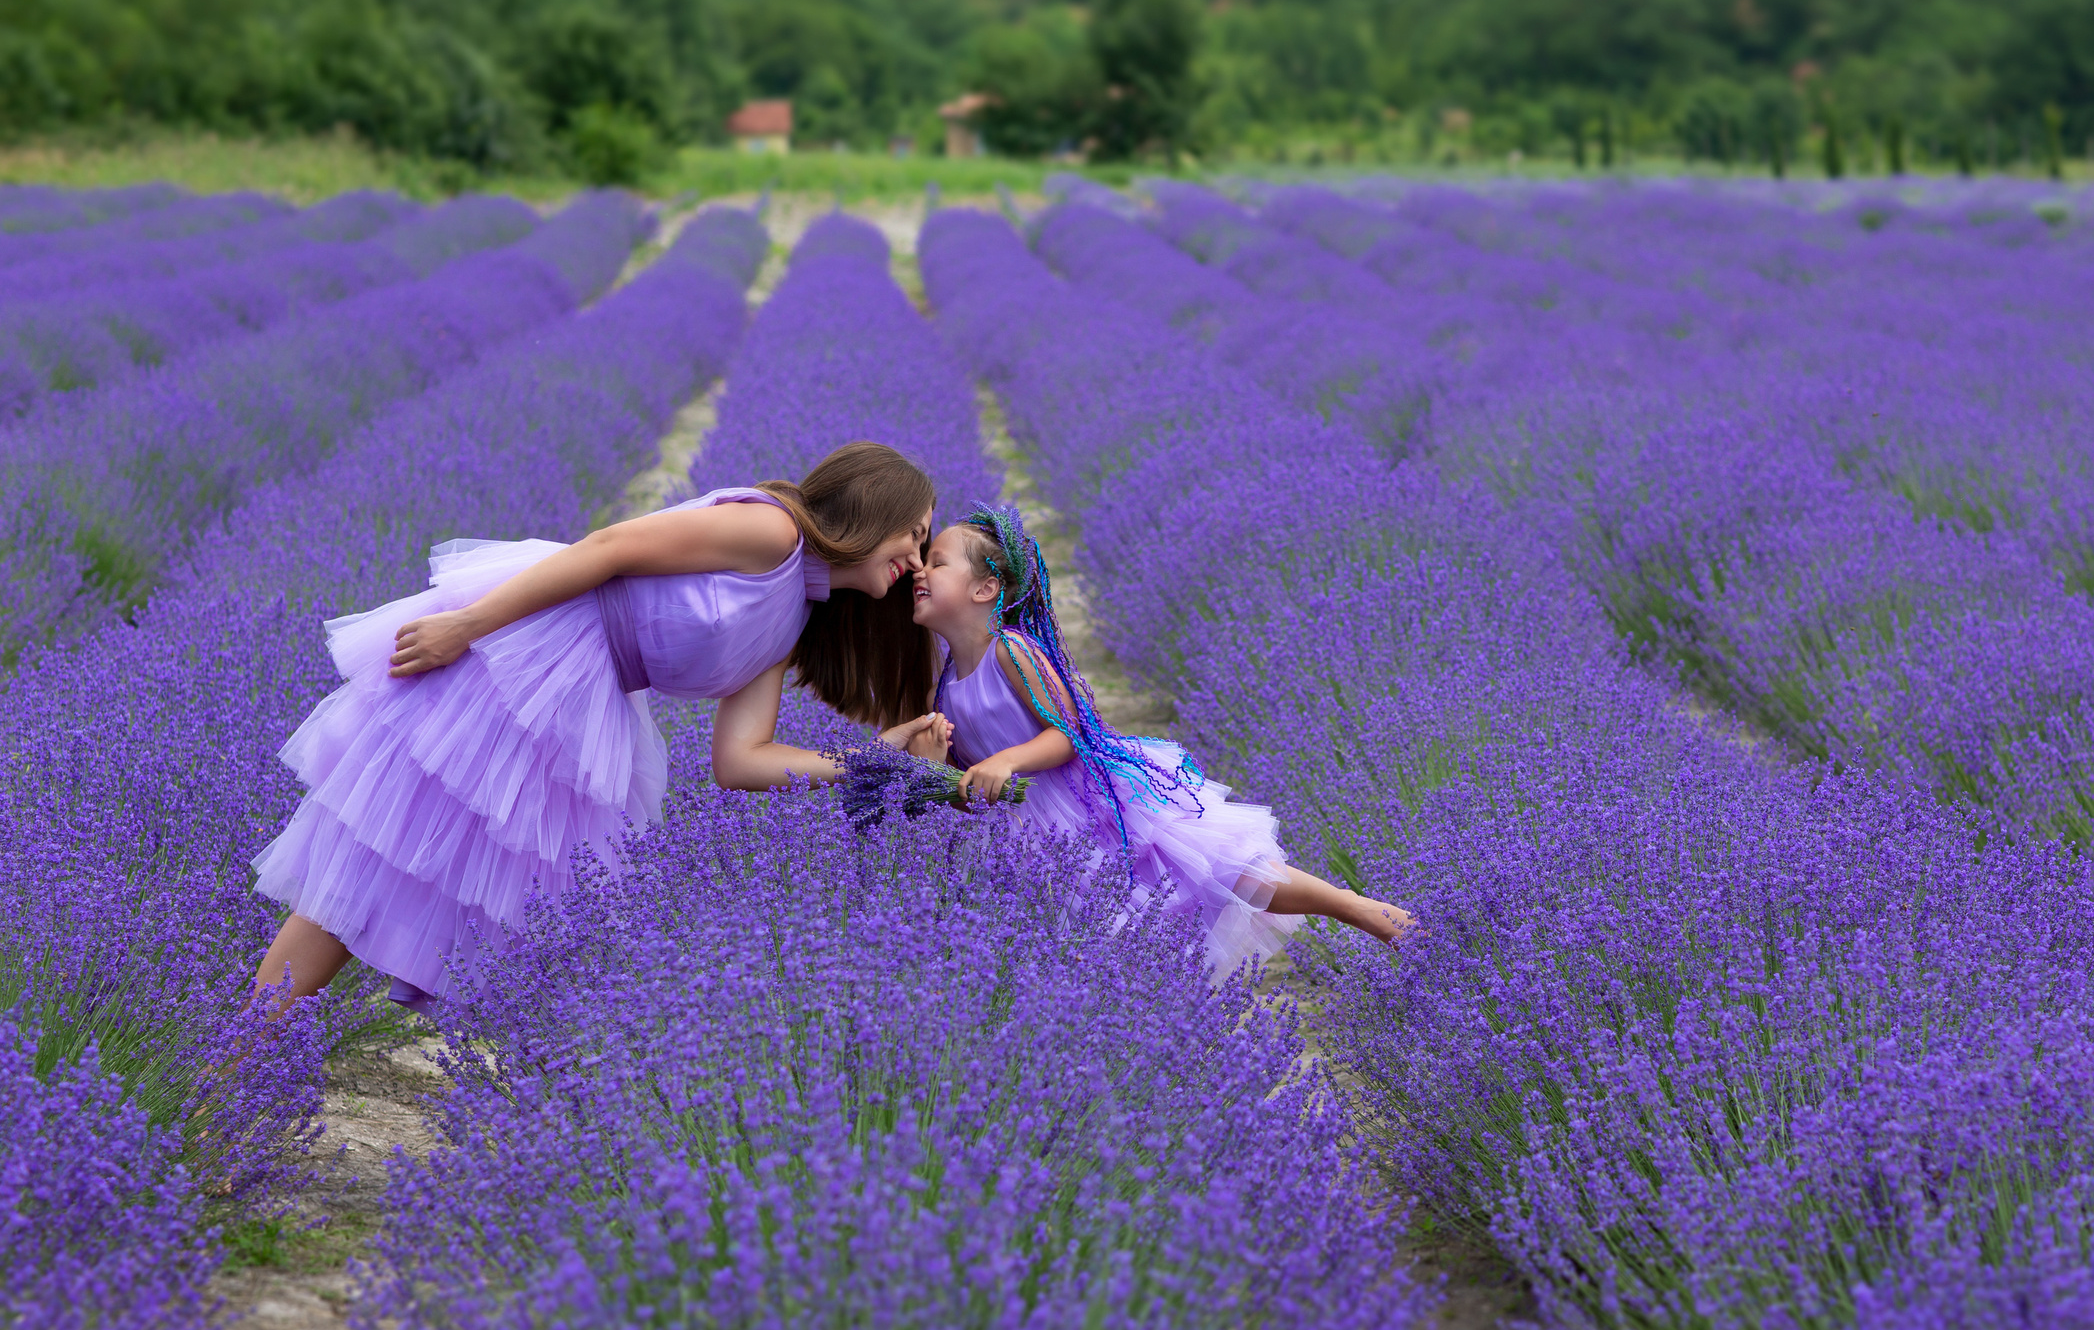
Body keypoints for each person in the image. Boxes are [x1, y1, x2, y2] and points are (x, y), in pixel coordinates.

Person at [249, 441, 949, 1010]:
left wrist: (869, 761)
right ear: (871, 508)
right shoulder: (772, 531)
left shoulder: (791, 617)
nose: (916, 561)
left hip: (585, 705)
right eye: (914, 535)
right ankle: (238, 1072)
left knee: (524, 919)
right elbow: (611, 546)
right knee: (380, 859)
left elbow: (740, 760)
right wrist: (466, 626)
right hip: (529, 661)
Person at [907, 503, 1413, 983]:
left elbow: (1069, 732)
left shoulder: (1011, 651)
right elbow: (972, 784)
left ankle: (1354, 908)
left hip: (1085, 801)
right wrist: (935, 766)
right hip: (1026, 834)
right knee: (1098, 935)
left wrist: (1008, 760)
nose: (919, 571)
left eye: (937, 562)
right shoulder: (943, 687)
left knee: (1219, 870)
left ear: (985, 588)